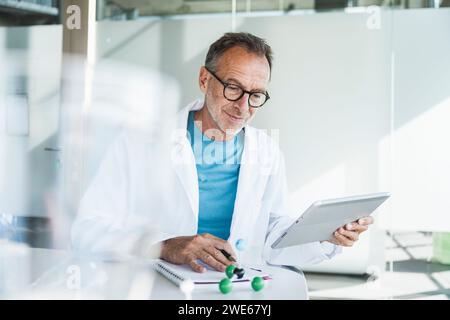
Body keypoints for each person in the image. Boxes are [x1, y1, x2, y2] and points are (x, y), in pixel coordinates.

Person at [72, 32, 373, 273]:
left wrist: (325, 235)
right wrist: (164, 246)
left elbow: (273, 237)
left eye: (256, 95)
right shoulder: (140, 142)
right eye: (233, 88)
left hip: (234, 289)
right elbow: (86, 230)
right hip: (157, 286)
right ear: (204, 79)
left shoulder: (265, 151)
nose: (243, 107)